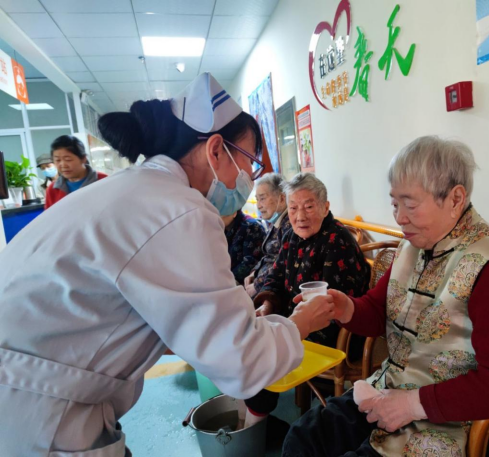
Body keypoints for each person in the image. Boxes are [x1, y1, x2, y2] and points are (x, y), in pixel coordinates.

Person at [0, 73, 337, 456]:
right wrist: (301, 323)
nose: (249, 180)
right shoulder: (179, 212)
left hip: (36, 393)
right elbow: (242, 362)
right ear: (215, 150)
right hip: (38, 411)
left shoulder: (135, 190)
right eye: (249, 163)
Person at [283, 136, 489, 457]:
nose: (400, 218)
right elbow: (380, 310)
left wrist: (413, 405)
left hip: (459, 420)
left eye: (411, 204)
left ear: (455, 199)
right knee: (305, 437)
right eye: (394, 204)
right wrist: (345, 306)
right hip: (395, 387)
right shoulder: (414, 245)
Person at [255, 172, 371, 351]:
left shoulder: (337, 241)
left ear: (325, 208)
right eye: (293, 208)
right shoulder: (290, 236)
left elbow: (332, 309)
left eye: (308, 207)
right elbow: (275, 277)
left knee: (263, 355)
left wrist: (288, 331)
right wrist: (267, 305)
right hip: (294, 327)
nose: (300, 216)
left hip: (330, 337)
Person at [244, 172, 291, 297]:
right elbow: (268, 256)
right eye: (257, 199)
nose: (259, 206)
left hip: (273, 290)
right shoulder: (275, 222)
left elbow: (283, 262)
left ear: (282, 198)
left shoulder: (290, 225)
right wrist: (253, 273)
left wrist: (257, 285)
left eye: (263, 198)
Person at [44, 135, 107, 209]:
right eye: (58, 160)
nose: (63, 165)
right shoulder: (53, 190)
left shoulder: (104, 181)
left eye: (68, 159)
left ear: (83, 158)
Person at [223, 209, 265, 284]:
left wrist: (224, 280)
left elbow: (250, 262)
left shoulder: (251, 227)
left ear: (234, 212)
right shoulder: (221, 228)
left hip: (245, 282)